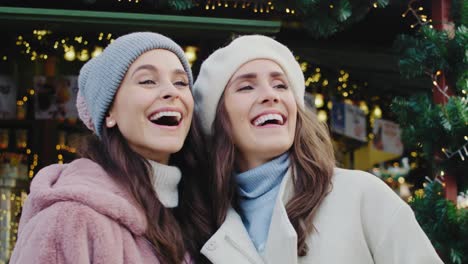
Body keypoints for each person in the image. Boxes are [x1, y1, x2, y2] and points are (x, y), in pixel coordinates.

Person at [192, 35, 443, 264]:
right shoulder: (203, 227)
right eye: (246, 87)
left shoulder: (361, 195)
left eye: (280, 85)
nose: (271, 95)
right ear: (217, 118)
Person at [11, 32, 212, 264]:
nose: (172, 92)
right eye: (147, 81)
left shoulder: (201, 209)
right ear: (108, 111)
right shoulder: (69, 218)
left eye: (181, 83)